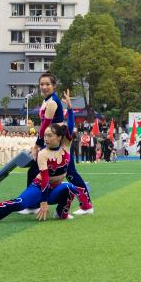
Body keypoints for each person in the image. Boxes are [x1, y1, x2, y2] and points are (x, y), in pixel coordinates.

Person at [0, 102, 79, 224]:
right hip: (39, 187)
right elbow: (45, 179)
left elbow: (70, 126)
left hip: (56, 188)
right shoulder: (43, 154)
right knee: (19, 203)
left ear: (59, 137)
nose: (46, 139)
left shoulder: (66, 147)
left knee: (71, 188)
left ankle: (60, 213)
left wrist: (69, 108)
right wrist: (44, 202)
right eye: (45, 136)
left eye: (49, 136)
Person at [23, 74, 93, 215]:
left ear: (54, 86)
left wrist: (37, 146)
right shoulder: (47, 100)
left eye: (47, 84)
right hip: (52, 139)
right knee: (35, 170)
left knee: (70, 174)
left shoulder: (52, 102)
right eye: (42, 84)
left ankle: (86, 206)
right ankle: (32, 205)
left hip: (59, 140)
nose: (44, 87)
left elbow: (45, 126)